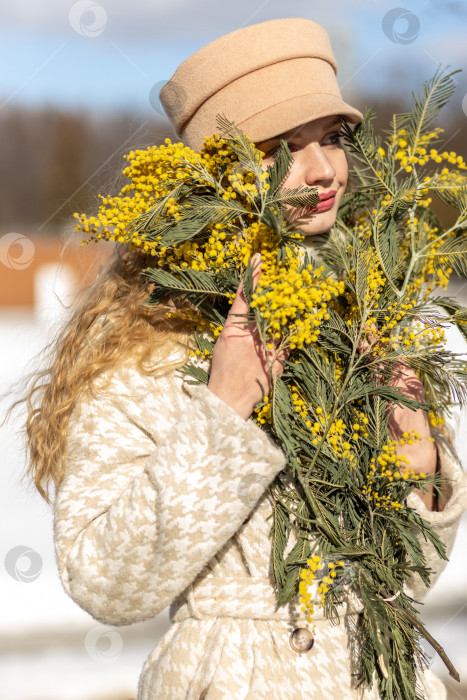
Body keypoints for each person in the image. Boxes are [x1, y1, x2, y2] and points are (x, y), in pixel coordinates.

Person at [24, 17, 467, 700]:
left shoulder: (365, 318)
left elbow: (395, 581)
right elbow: (106, 583)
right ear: (220, 171)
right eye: (284, 148)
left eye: (331, 138)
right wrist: (223, 413)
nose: (322, 170)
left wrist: (420, 470)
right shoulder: (151, 349)